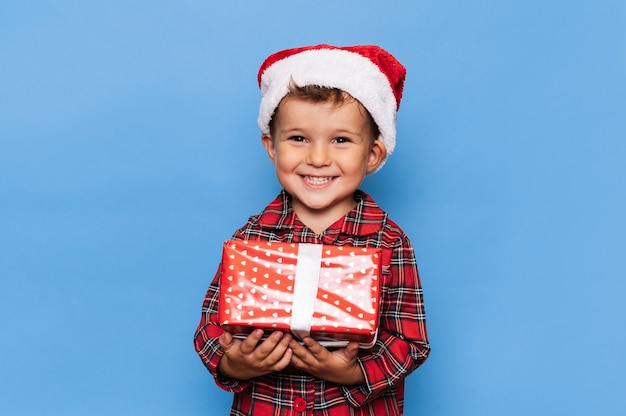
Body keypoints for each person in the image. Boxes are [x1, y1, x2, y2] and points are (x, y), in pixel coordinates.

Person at [194, 44, 430, 415]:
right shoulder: (251, 237)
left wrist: (355, 373)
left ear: (372, 154)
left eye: (341, 140)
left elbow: (409, 342)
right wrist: (234, 365)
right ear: (272, 147)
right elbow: (210, 327)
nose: (318, 158)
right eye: (298, 138)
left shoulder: (389, 241)